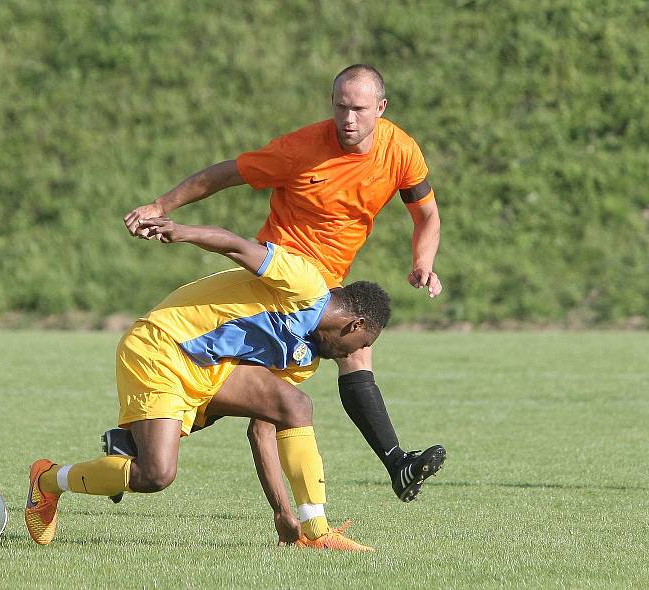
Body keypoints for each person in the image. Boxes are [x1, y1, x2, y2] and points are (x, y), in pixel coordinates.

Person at [120, 64, 445, 502]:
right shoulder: (300, 149)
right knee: (327, 368)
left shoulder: (401, 151)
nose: (348, 119)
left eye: (360, 109)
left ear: (381, 109)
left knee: (272, 402)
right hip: (282, 284)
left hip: (328, 287)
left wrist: (423, 261)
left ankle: (143, 448)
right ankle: (384, 471)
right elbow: (226, 173)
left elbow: (426, 214)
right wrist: (162, 204)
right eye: (341, 107)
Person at [26, 217, 391, 551]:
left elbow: (262, 432)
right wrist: (182, 232)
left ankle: (316, 532)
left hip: (210, 368)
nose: (353, 355)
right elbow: (236, 245)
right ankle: (49, 481)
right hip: (162, 347)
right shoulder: (306, 285)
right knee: (155, 475)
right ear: (354, 325)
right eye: (361, 346)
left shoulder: (304, 358)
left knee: (296, 406)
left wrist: (282, 512)